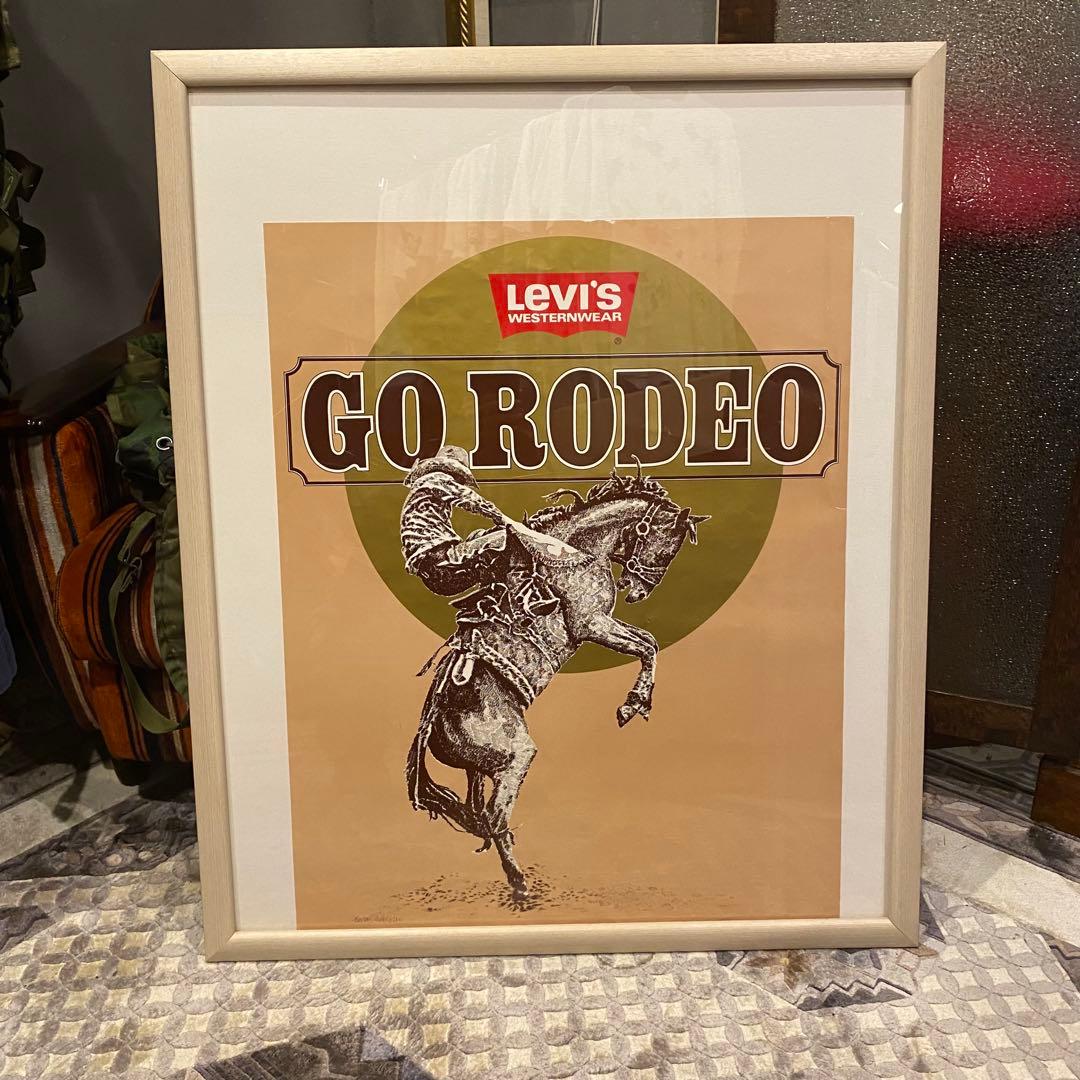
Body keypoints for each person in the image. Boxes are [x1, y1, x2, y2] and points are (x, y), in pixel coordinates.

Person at [400, 445, 575, 616]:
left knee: (479, 536)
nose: (460, 483)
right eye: (459, 478)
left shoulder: (423, 493)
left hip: (434, 570)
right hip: (442, 564)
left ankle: (493, 600)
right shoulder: (436, 479)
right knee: (511, 538)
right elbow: (470, 499)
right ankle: (527, 598)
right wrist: (503, 519)